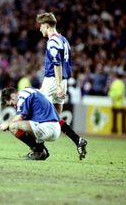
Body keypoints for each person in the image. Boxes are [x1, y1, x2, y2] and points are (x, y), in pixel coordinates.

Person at [36, 12, 87, 160]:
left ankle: (39, 150)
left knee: (37, 112)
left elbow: (57, 63)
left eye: (41, 26)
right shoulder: (64, 40)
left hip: (53, 81)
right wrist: (61, 85)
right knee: (56, 118)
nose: (40, 29)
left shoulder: (52, 41)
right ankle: (78, 140)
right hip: (63, 81)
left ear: (46, 25)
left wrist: (57, 85)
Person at [0, 87, 61, 160]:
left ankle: (38, 151)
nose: (14, 106)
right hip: (55, 127)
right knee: (25, 121)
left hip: (47, 128)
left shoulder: (22, 96)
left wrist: (7, 124)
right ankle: (41, 150)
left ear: (13, 96)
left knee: (13, 126)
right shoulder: (31, 91)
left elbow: (19, 117)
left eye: (12, 104)